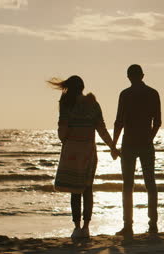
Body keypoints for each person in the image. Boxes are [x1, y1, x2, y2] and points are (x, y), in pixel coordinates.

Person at [50, 75, 120, 239]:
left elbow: (62, 133)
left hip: (72, 153)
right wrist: (112, 147)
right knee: (88, 189)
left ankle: (77, 228)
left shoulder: (66, 105)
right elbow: (101, 129)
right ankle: (87, 227)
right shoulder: (93, 104)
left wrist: (68, 135)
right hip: (88, 152)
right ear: (82, 87)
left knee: (75, 191)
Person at [113, 64, 162, 237]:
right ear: (142, 75)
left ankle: (128, 225)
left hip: (129, 143)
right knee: (150, 182)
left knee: (128, 184)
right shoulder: (153, 93)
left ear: (128, 76)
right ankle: (153, 224)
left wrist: (113, 144)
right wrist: (150, 138)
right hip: (145, 142)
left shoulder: (125, 95)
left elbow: (118, 121)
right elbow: (157, 122)